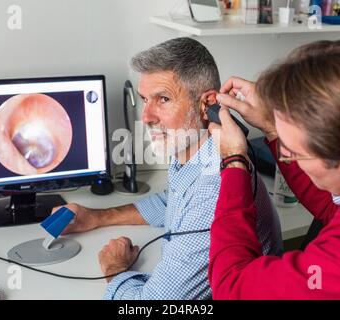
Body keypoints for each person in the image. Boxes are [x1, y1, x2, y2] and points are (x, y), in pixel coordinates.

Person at [53, 37, 282, 299]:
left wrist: (114, 268)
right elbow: (171, 201)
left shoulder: (215, 186)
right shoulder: (191, 148)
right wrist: (96, 217)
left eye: (163, 99)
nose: (146, 117)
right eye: (144, 99)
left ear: (207, 105)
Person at [208, 40, 340, 299]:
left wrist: (234, 162)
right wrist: (273, 129)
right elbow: (333, 211)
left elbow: (231, 286)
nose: (284, 155)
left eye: (294, 151)